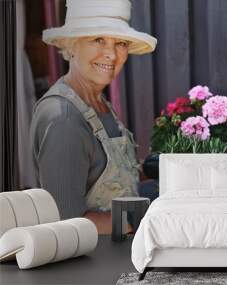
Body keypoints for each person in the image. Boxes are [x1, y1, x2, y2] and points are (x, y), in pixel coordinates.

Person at [30, 0, 157, 233]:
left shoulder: (97, 102)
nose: (111, 54)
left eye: (120, 43)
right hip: (93, 265)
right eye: (98, 39)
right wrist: (142, 219)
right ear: (72, 45)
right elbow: (65, 224)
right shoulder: (63, 118)